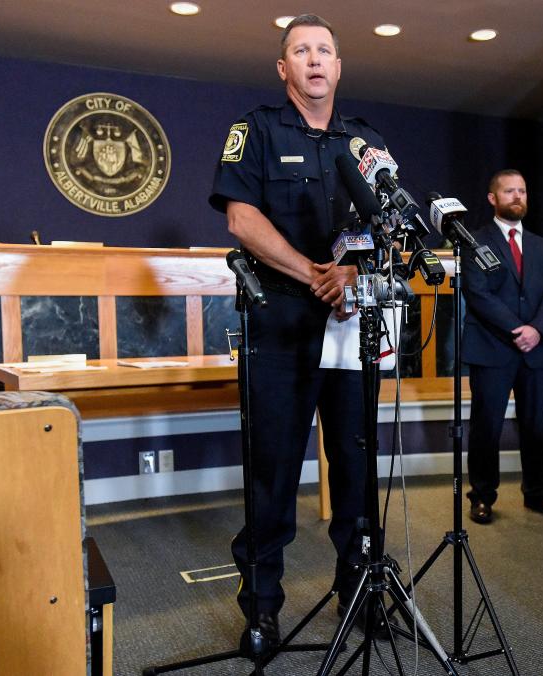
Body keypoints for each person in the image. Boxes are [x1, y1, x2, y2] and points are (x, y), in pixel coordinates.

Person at [208, 14, 385, 649]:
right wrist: (316, 273)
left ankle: (360, 592)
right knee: (274, 469)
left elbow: (384, 218)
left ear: (339, 68)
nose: (315, 60)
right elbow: (241, 218)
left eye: (325, 51)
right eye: (301, 51)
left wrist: (352, 270)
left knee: (356, 465)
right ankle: (261, 607)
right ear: (284, 69)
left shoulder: (364, 142)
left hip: (348, 321)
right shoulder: (253, 130)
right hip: (279, 319)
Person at [461, 169, 543, 524]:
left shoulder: (542, 246)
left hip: (534, 350)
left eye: (522, 191)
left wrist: (537, 330)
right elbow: (477, 293)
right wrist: (516, 328)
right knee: (487, 426)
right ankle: (482, 496)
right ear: (493, 198)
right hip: (492, 348)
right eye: (510, 191)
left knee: (535, 425)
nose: (518, 197)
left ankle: (538, 493)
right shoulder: (474, 241)